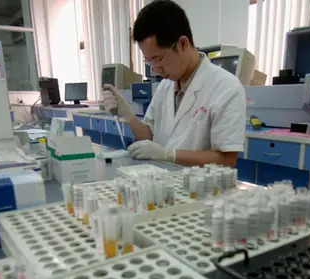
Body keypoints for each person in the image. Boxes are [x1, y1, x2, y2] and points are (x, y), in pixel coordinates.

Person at [102, 0, 246, 167]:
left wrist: (168, 155)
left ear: (182, 44)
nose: (155, 69)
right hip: (164, 184)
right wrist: (127, 114)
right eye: (148, 61)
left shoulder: (226, 87)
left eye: (158, 59)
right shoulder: (166, 86)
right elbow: (149, 137)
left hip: (200, 190)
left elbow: (227, 160)